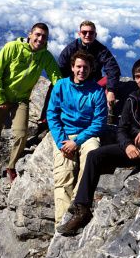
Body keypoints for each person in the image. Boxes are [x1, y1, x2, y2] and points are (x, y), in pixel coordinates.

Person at [58, 57, 140, 236]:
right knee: (94, 156)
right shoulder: (133, 98)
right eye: (137, 77)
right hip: (135, 149)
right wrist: (128, 146)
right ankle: (82, 208)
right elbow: (121, 129)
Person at [0, 22, 60, 189]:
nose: (40, 39)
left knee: (21, 134)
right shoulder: (12, 47)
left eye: (44, 37)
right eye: (37, 35)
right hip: (1, 96)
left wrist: (67, 91)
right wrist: (0, 98)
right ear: (30, 34)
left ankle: (11, 166)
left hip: (21, 100)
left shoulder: (45, 56)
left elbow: (56, 76)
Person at [47, 49, 107, 225]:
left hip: (87, 134)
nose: (82, 70)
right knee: (63, 175)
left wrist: (77, 141)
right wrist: (61, 142)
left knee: (91, 155)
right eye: (78, 67)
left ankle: (77, 206)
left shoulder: (96, 91)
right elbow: (52, 114)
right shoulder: (61, 86)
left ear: (90, 69)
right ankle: (62, 221)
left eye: (86, 67)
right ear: (72, 68)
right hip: (65, 134)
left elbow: (99, 123)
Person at [58, 20, 121, 116]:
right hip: (74, 83)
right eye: (84, 32)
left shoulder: (101, 49)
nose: (87, 35)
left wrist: (111, 91)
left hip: (94, 83)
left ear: (95, 35)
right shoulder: (71, 49)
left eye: (91, 33)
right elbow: (61, 67)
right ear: (79, 34)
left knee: (110, 80)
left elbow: (113, 68)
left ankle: (108, 115)